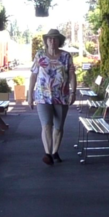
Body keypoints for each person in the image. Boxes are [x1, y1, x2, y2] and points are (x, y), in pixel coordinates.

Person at [27, 28, 77, 166]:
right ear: (46, 41)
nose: (52, 41)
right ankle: (47, 153)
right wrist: (29, 95)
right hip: (43, 96)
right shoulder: (40, 55)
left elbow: (72, 75)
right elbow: (33, 75)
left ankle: (55, 152)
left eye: (55, 39)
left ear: (59, 41)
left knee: (59, 127)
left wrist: (73, 92)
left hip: (61, 96)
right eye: (49, 38)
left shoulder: (66, 57)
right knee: (46, 125)